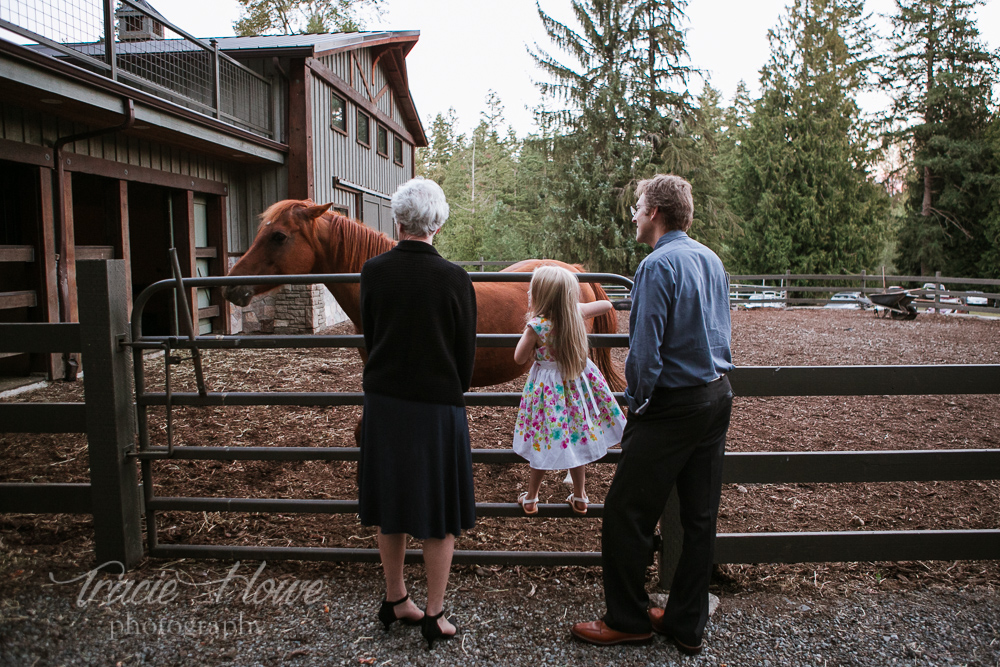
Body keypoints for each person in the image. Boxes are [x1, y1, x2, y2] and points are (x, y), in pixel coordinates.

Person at [571, 174, 735, 656]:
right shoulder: (710, 259)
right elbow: (722, 334)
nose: (634, 215)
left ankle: (627, 619)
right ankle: (687, 621)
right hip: (716, 396)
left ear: (656, 214)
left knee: (625, 511)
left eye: (638, 207)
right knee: (700, 515)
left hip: (671, 405)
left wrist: (636, 407)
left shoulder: (656, 266)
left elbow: (644, 354)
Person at [357, 177, 477, 650]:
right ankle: (434, 614)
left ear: (398, 220)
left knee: (392, 505)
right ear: (438, 224)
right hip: (437, 411)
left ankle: (395, 599)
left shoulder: (372, 271)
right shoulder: (455, 279)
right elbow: (463, 356)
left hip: (385, 406)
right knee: (439, 514)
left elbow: (371, 337)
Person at [511, 265, 626, 515]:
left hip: (546, 391)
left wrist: (530, 339)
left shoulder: (537, 326)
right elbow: (606, 307)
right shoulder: (574, 314)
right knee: (577, 436)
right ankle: (581, 496)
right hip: (575, 386)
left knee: (542, 440)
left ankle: (531, 497)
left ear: (541, 296)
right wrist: (578, 307)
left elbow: (519, 358)